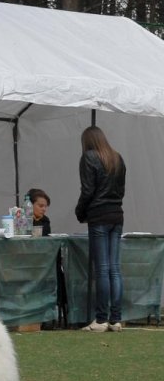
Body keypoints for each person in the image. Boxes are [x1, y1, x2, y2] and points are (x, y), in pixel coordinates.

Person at [75, 126, 126, 333]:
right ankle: (116, 319)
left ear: (87, 141)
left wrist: (79, 211)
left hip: (98, 216)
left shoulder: (88, 157)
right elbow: (121, 190)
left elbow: (88, 190)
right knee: (114, 268)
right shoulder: (117, 158)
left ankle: (101, 319)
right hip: (117, 215)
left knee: (103, 269)